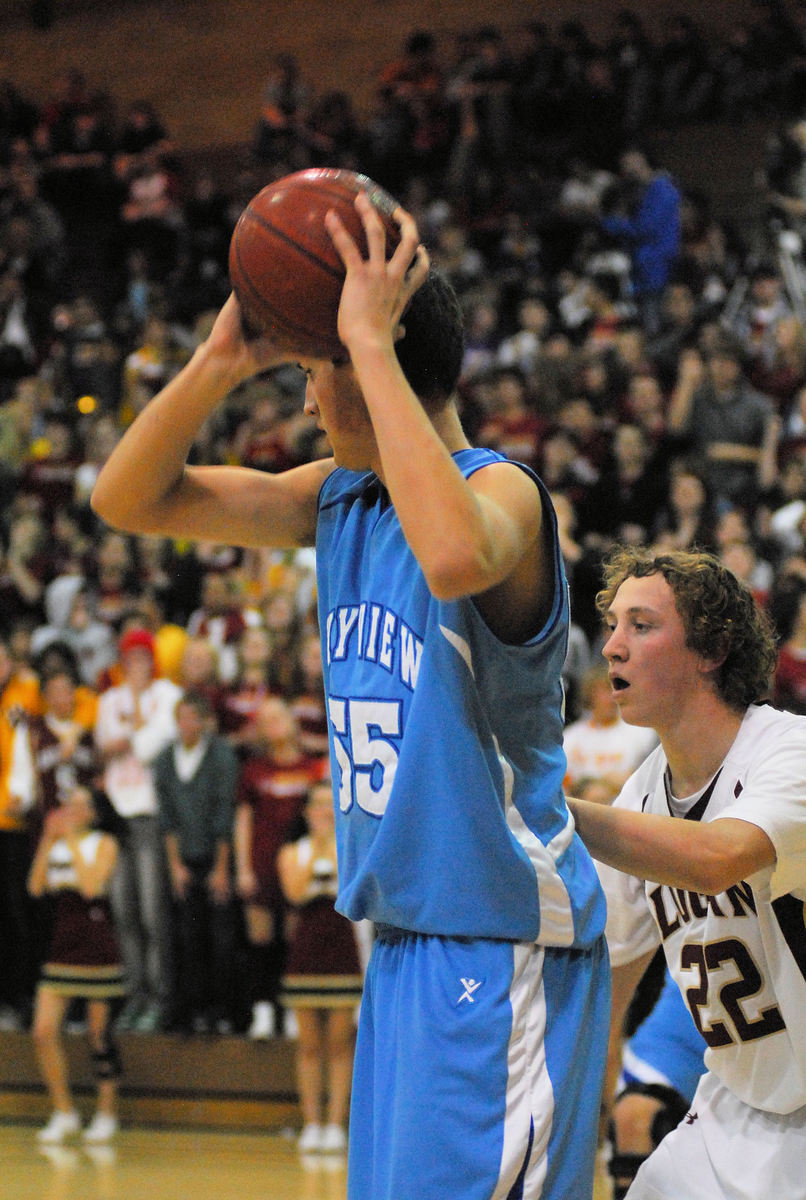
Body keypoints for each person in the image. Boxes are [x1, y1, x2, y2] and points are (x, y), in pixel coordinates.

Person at [91, 190, 609, 1199]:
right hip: (408, 947)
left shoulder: (502, 492)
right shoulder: (332, 498)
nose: (300, 401)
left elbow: (455, 555)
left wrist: (365, 342)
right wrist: (216, 364)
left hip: (499, 940)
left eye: (306, 372)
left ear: (377, 357)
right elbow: (127, 499)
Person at [566, 546, 806, 1199]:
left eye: (641, 626)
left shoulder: (790, 755)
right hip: (733, 1103)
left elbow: (714, 859)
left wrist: (547, 808)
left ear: (710, 650)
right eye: (612, 625)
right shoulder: (637, 798)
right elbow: (606, 990)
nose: (612, 647)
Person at [93, 627, 181, 1032]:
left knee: (152, 912)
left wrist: (128, 736)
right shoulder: (110, 698)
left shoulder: (169, 695)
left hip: (150, 813)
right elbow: (101, 746)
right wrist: (135, 733)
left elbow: (152, 745)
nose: (136, 665)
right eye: (129, 658)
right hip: (116, 815)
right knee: (123, 912)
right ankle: (135, 995)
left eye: (143, 657)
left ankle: (160, 998)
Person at [27, 785, 126, 1145]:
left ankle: (106, 1112)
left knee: (98, 1034)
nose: (71, 810)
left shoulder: (103, 843)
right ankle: (64, 1110)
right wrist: (46, 841)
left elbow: (91, 886)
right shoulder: (56, 841)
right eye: (69, 804)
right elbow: (36, 887)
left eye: (80, 805)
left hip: (96, 937)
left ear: (94, 812)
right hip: (62, 938)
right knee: (43, 1031)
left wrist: (68, 841)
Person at [277, 779, 363, 1155]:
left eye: (331, 806)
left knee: (341, 1043)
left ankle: (335, 1124)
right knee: (309, 1044)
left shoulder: (354, 850)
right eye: (317, 806)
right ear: (307, 812)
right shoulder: (292, 852)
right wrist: (320, 849)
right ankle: (311, 1123)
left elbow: (353, 892)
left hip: (342, 946)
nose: (324, 813)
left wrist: (335, 846)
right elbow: (295, 893)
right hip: (306, 949)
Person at [154, 690, 239, 1034]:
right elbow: (167, 817)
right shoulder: (164, 759)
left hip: (215, 858)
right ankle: (188, 1011)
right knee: (184, 937)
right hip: (182, 859)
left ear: (204, 721)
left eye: (193, 717)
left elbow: (224, 812)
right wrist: (174, 865)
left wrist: (221, 868)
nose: (187, 724)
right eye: (181, 717)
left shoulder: (221, 755)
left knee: (221, 939)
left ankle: (222, 1011)